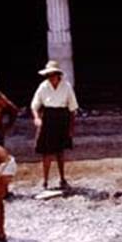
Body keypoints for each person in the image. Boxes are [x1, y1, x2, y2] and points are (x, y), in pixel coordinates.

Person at [30, 60, 79, 190]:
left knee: (60, 152)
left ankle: (62, 179)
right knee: (46, 153)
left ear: (58, 74)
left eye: (53, 74)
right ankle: (45, 180)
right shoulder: (43, 87)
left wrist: (71, 129)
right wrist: (36, 118)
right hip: (47, 119)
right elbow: (34, 105)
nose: (51, 77)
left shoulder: (66, 86)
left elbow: (72, 109)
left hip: (62, 119)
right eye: (48, 75)